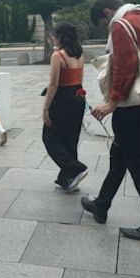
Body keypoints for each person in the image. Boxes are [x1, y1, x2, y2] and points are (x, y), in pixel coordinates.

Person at [81, 0, 140, 241]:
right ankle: (101, 205)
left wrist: (112, 100)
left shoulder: (121, 24)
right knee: (120, 155)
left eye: (103, 22)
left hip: (131, 106)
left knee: (139, 164)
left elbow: (125, 65)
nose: (106, 26)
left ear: (108, 12)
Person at [42, 23, 88, 191]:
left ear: (60, 37)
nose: (52, 38)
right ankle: (67, 179)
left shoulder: (58, 56)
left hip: (62, 98)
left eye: (54, 35)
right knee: (70, 138)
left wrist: (45, 108)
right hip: (78, 96)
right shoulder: (79, 54)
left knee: (50, 136)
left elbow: (53, 85)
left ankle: (76, 168)